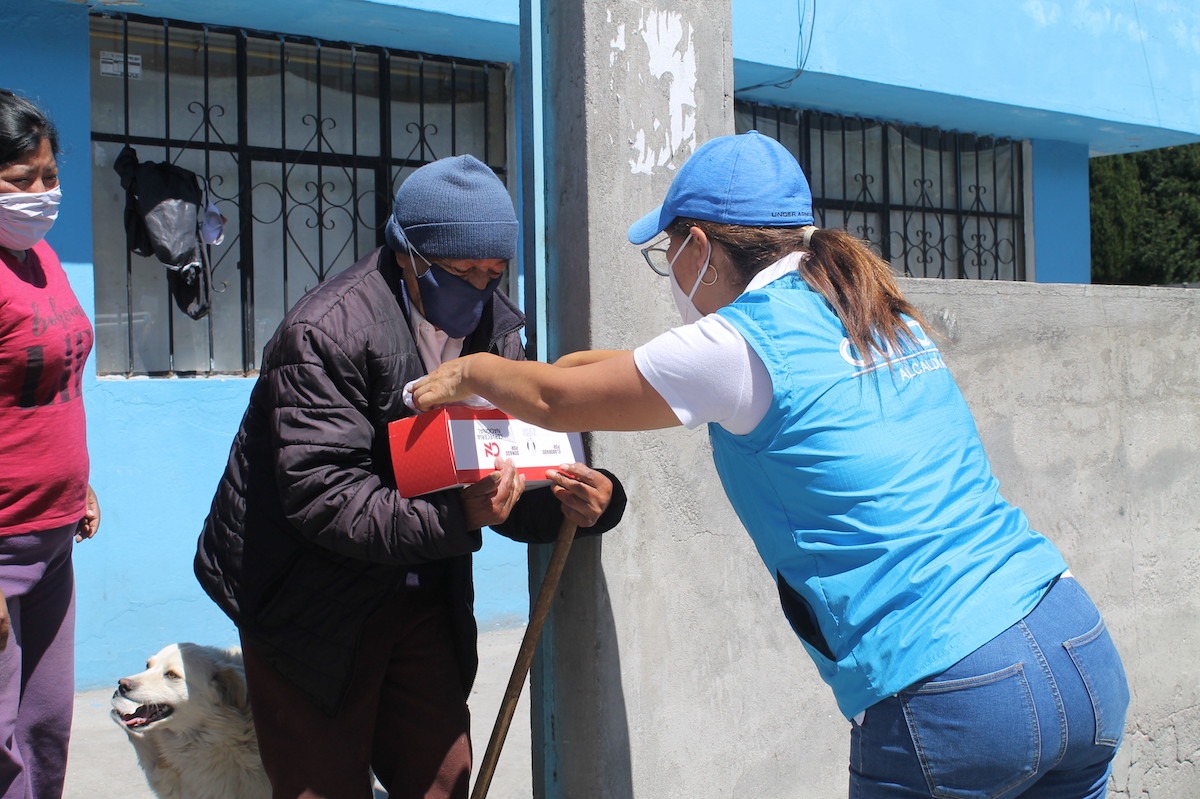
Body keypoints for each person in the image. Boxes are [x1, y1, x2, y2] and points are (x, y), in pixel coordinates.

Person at [408, 132, 1130, 798]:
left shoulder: (735, 346)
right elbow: (611, 372)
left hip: (951, 684)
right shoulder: (866, 306)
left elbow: (557, 401)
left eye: (666, 253)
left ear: (698, 246)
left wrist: (471, 368)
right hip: (1073, 640)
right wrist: (555, 370)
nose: (671, 271)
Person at [195, 154, 626, 799]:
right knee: (322, 785)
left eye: (493, 273)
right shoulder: (325, 333)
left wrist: (582, 500)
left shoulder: (497, 334)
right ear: (407, 254)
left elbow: (504, 467)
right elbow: (325, 498)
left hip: (421, 587)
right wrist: (461, 516)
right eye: (461, 273)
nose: (480, 290)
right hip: (305, 603)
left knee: (443, 781)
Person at [0, 88, 102, 799]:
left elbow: (57, 379)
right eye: (19, 181)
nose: (41, 193)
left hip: (54, 534)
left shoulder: (44, 260)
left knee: (44, 727)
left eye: (48, 175)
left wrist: (80, 481)